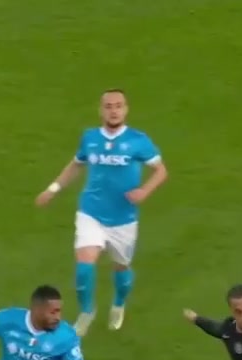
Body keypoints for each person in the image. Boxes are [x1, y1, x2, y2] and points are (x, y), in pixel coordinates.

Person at [35, 89, 168, 336]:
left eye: (118, 106)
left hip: (123, 218)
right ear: (101, 110)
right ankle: (87, 312)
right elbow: (76, 164)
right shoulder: (90, 138)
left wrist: (144, 191)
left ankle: (118, 304)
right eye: (108, 106)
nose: (113, 111)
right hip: (91, 212)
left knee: (121, 267)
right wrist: (52, 189)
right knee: (84, 267)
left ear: (126, 109)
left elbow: (161, 171)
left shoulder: (138, 140)